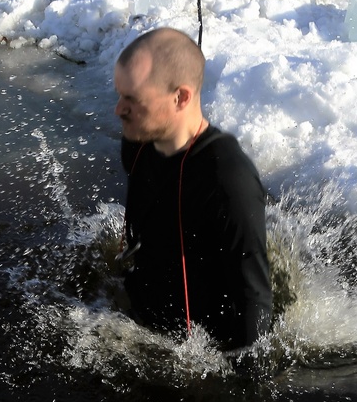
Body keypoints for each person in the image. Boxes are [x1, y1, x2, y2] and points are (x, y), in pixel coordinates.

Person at [113, 27, 272, 351]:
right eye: (119, 95)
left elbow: (254, 302)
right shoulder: (139, 142)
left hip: (199, 357)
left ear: (181, 97)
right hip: (143, 324)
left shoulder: (228, 179)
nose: (119, 109)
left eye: (133, 99)